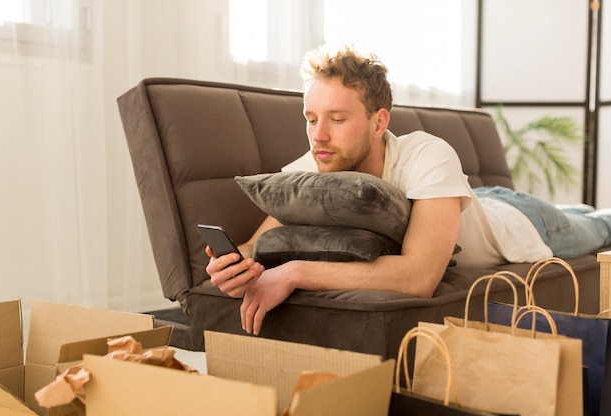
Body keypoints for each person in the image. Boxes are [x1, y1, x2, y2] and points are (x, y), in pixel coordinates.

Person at [204, 42, 611, 337]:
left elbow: (419, 277)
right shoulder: (318, 165)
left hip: (522, 221)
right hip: (461, 202)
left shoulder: (427, 152)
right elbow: (256, 243)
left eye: (337, 118)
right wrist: (234, 266)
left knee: (599, 224)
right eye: (311, 119)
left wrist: (294, 272)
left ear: (379, 123)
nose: (318, 136)